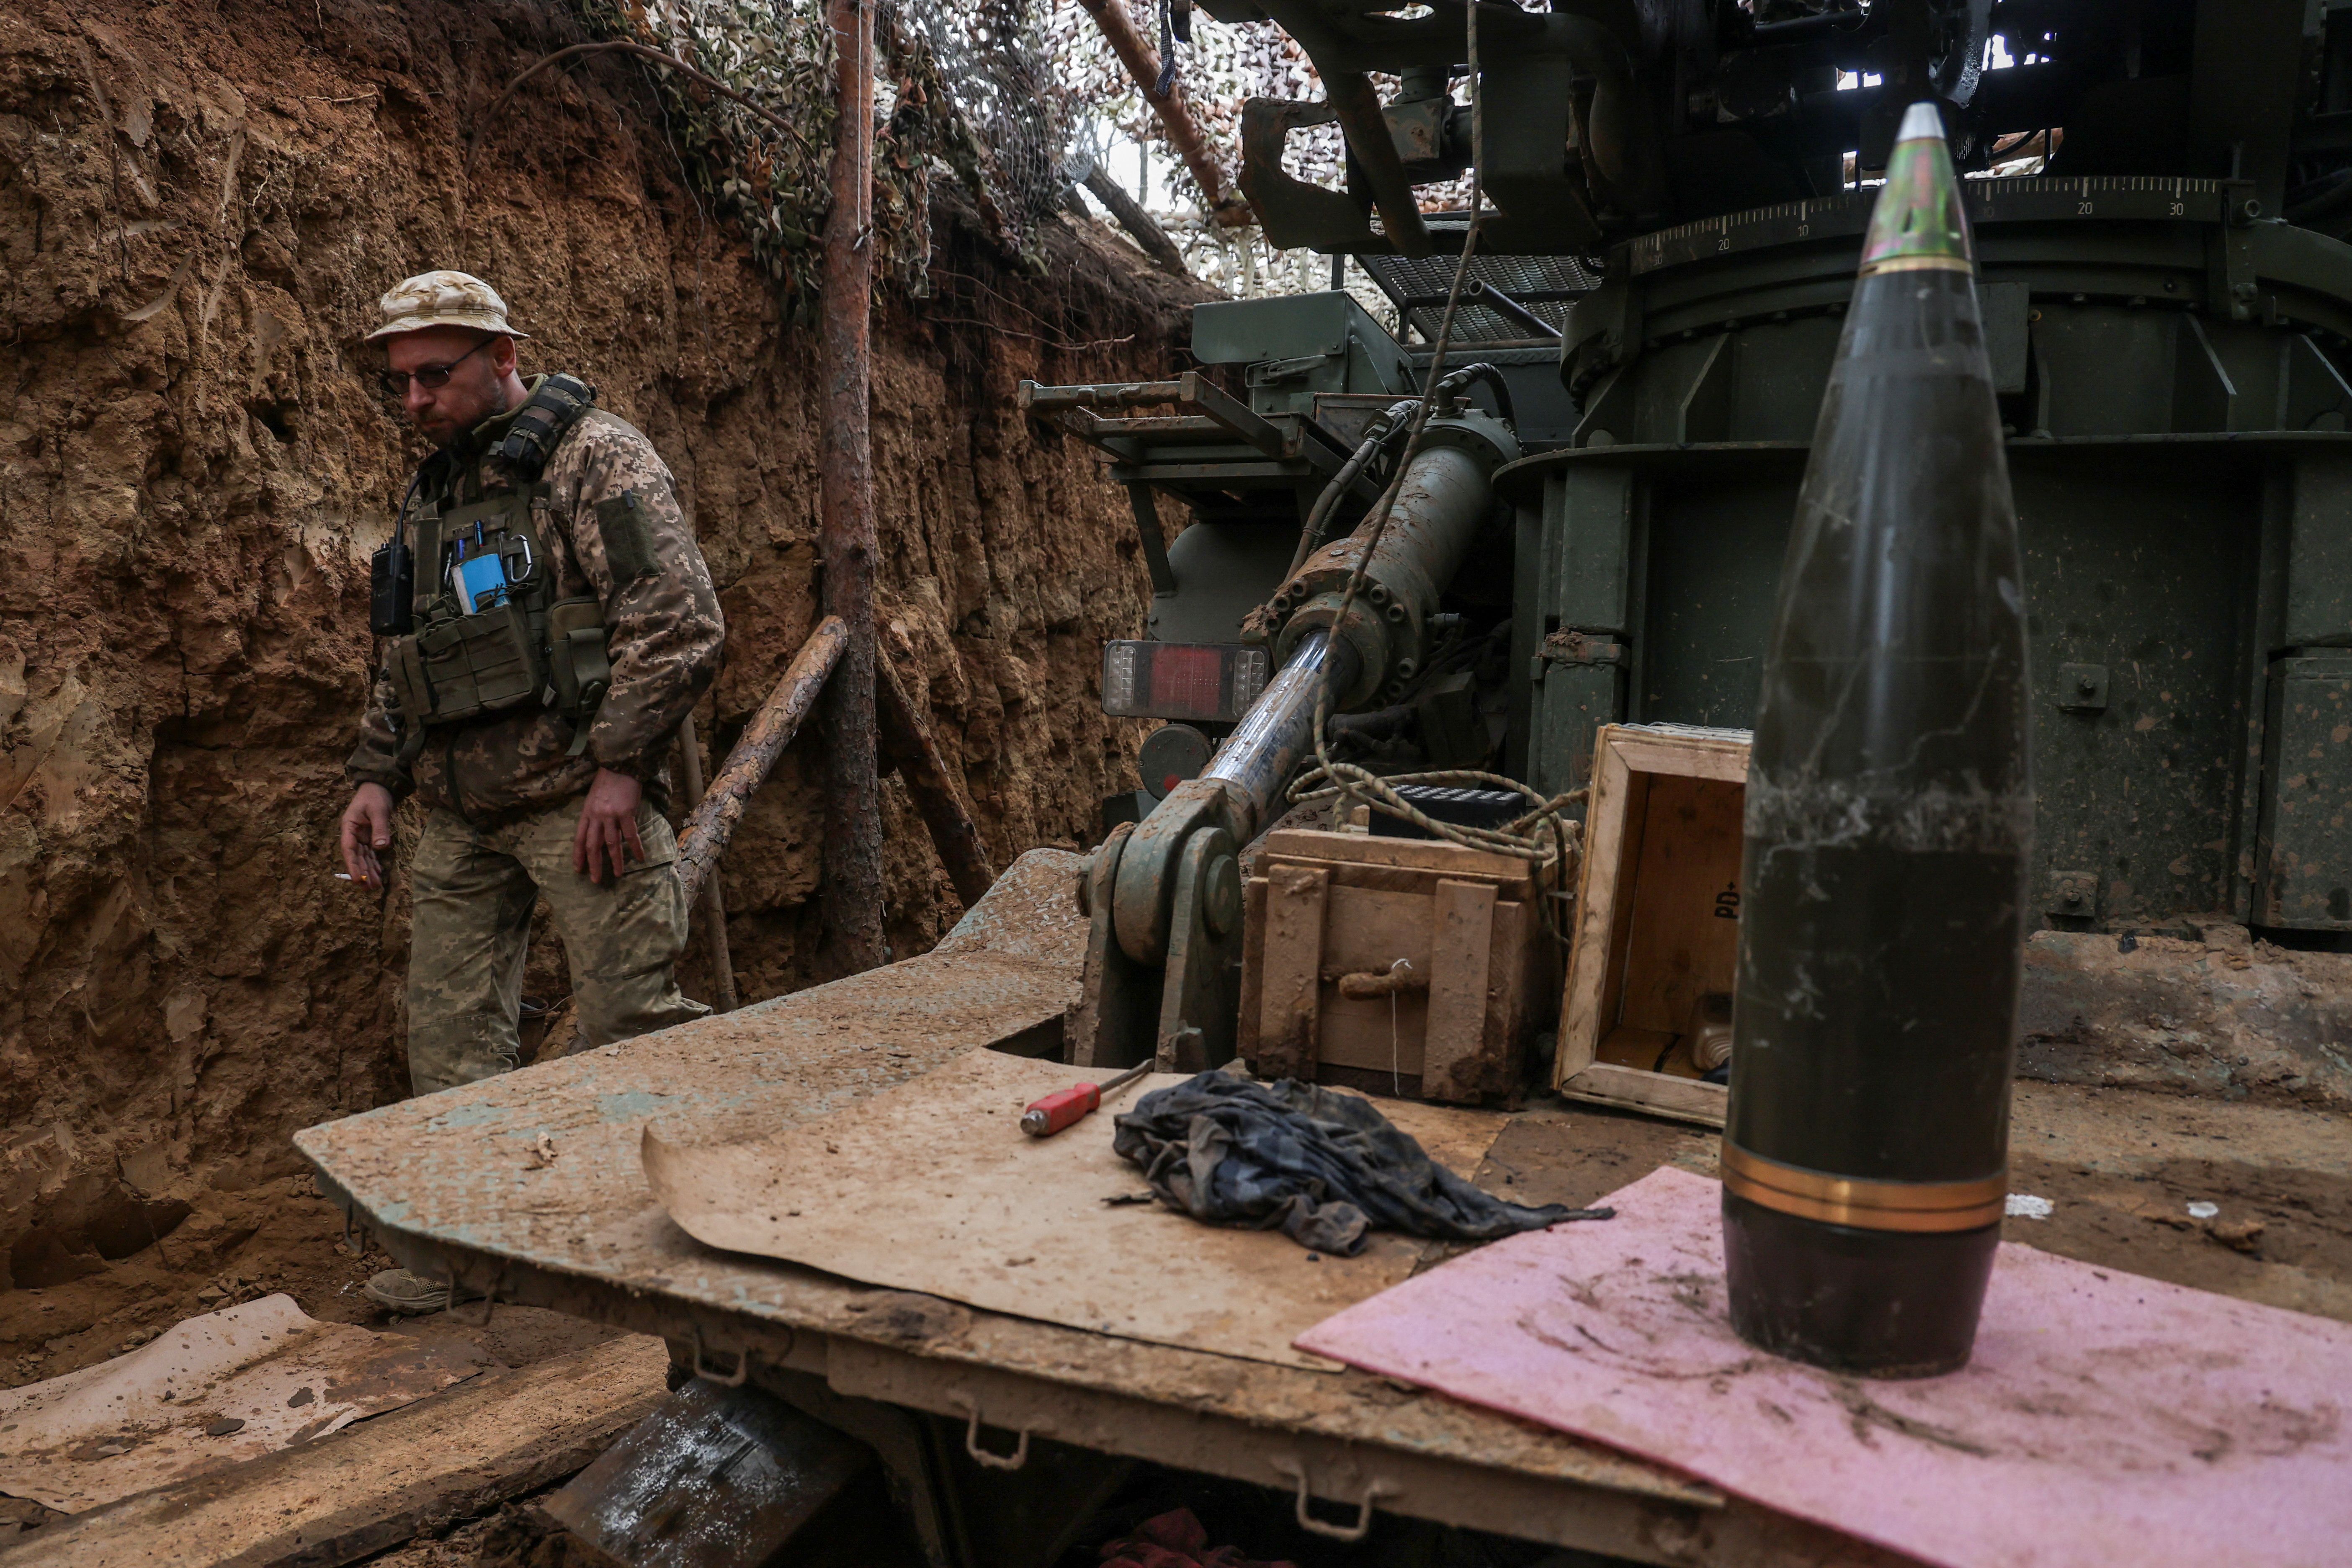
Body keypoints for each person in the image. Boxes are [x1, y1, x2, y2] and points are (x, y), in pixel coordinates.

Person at [337, 270, 724, 1313]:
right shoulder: (434, 492)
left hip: (578, 802)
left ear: (503, 357)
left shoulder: (595, 458)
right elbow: (408, 656)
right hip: (462, 815)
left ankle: (706, 1233)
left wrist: (621, 769)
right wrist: (376, 776)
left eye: (433, 375)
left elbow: (678, 620)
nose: (414, 399)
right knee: (450, 1047)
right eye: (400, 382)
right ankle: (471, 1255)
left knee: (636, 1019)